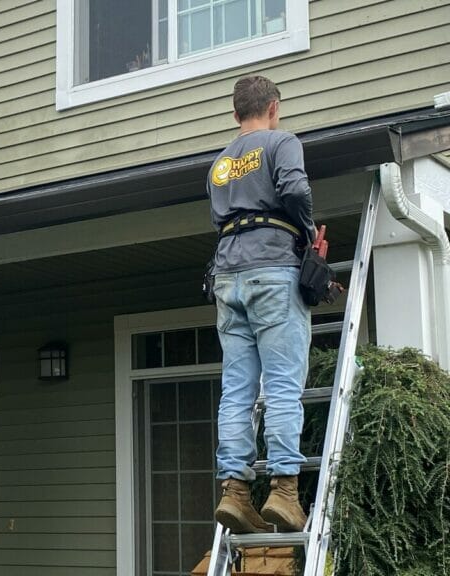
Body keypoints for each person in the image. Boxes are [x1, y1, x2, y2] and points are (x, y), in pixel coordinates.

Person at [206, 76, 315, 534]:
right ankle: (285, 492)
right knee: (283, 385)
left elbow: (218, 217)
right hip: (273, 269)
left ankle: (235, 490)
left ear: (236, 114)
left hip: (227, 276)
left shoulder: (219, 163)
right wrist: (308, 231)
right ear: (273, 107)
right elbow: (294, 190)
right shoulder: (281, 141)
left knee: (237, 389)